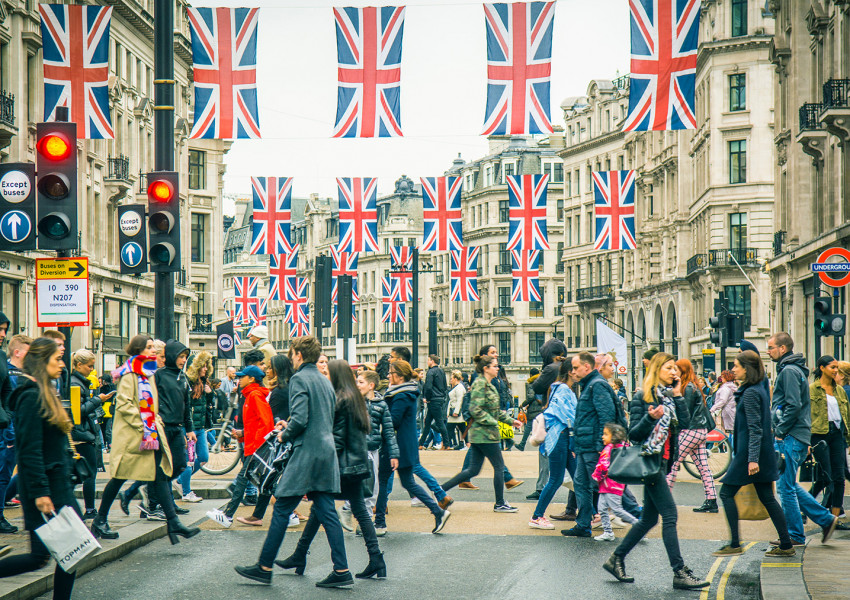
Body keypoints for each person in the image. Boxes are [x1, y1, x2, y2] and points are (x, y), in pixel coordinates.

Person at [235, 336, 352, 588]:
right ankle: (341, 569)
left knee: (282, 507)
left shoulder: (299, 378)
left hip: (306, 454)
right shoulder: (323, 379)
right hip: (326, 451)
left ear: (298, 354)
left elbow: (299, 419)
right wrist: (293, 425)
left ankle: (264, 567)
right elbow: (320, 417)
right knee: (327, 512)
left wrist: (283, 432)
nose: (290, 357)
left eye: (291, 353)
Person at [603, 352, 708, 590]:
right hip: (650, 463)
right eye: (669, 368)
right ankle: (679, 572)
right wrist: (650, 419)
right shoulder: (643, 397)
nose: (674, 372)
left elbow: (685, 423)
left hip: (662, 462)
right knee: (670, 515)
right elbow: (635, 435)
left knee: (649, 519)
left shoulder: (670, 396)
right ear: (657, 370)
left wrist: (679, 395)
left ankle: (616, 558)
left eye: (675, 369)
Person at [280, 360, 387, 580]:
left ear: (335, 376)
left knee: (323, 507)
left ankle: (307, 557)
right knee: (342, 510)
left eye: (327, 373)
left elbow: (336, 438)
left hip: (342, 464)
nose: (324, 376)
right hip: (355, 463)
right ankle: (375, 558)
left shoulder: (341, 399)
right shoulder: (354, 397)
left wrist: (321, 457)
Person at [92, 335, 199, 543]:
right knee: (119, 477)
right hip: (135, 435)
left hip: (149, 433)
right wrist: (146, 425)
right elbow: (124, 406)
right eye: (149, 347)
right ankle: (100, 519)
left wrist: (153, 422)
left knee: (159, 475)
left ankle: (173, 522)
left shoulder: (148, 372)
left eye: (153, 347)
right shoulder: (130, 373)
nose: (153, 351)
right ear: (139, 350)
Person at [0, 338, 80, 599]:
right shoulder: (31, 397)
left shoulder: (46, 392)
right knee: (44, 556)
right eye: (57, 358)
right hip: (46, 488)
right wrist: (41, 493)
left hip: (57, 483)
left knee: (68, 552)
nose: (62, 363)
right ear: (42, 361)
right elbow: (29, 451)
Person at [713, 351, 794, 557]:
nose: (733, 369)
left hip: (750, 456)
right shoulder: (758, 387)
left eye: (736, 366)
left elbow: (755, 429)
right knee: (767, 497)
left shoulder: (750, 393)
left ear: (746, 369)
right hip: (761, 454)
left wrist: (751, 460)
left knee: (725, 493)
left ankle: (734, 543)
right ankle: (786, 544)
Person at [767, 332, 838, 545]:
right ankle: (826, 520)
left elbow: (793, 405)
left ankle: (796, 535)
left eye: (771, 347)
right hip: (797, 435)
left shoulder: (788, 371)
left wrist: (780, 431)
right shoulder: (794, 369)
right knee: (788, 484)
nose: (768, 351)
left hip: (791, 435)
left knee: (784, 487)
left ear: (782, 348)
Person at [375, 359, 451, 534]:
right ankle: (438, 512)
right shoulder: (406, 392)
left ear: (399, 376)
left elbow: (392, 421)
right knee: (407, 482)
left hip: (396, 445)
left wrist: (376, 415)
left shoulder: (401, 395)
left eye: (391, 373)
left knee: (384, 481)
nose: (388, 376)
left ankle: (379, 523)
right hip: (405, 444)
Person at [441, 355, 523, 513]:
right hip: (486, 434)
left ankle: (440, 489)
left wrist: (510, 421)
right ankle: (500, 503)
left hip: (481, 434)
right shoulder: (480, 384)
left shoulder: (489, 384)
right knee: (499, 467)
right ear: (486, 368)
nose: (497, 368)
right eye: (494, 366)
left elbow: (494, 410)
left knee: (473, 470)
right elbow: (475, 410)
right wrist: (493, 422)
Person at [562, 352, 621, 538]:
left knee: (602, 484)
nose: (573, 371)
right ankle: (583, 524)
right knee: (581, 484)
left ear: (587, 367)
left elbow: (607, 416)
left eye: (576, 367)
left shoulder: (597, 385)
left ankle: (637, 511)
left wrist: (601, 445)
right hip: (585, 445)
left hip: (593, 445)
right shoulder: (589, 385)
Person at [207, 365, 274, 527]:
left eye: (242, 376)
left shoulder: (254, 395)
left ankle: (228, 515)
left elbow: (266, 424)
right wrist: (242, 433)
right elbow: (256, 423)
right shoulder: (251, 394)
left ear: (251, 379)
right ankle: (288, 514)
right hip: (254, 446)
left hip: (255, 448)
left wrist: (256, 446)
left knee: (244, 479)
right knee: (268, 484)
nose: (239, 378)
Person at [529, 359, 577, 530]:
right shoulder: (564, 390)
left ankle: (593, 514)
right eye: (577, 368)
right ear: (570, 372)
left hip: (562, 437)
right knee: (556, 479)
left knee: (577, 478)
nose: (580, 371)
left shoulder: (560, 388)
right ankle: (536, 516)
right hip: (560, 437)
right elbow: (569, 415)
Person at [666, 359, 717, 513]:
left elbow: (684, 413)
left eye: (676, 369)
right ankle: (711, 500)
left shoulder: (688, 387)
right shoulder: (693, 386)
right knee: (703, 467)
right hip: (700, 431)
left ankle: (662, 500)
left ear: (683, 370)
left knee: (673, 464)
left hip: (690, 430)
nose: (674, 372)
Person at [808, 355, 849, 517]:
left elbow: (847, 416)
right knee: (827, 476)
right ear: (822, 368)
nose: (835, 370)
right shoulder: (812, 389)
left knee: (839, 477)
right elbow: (805, 415)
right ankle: (807, 508)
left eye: (837, 368)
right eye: (832, 367)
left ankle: (835, 516)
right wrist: (806, 442)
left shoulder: (839, 390)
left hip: (837, 434)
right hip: (819, 435)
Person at [67, 349, 104, 519]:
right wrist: (98, 400)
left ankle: (86, 509)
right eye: (89, 366)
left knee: (85, 472)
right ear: (79, 365)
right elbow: (77, 412)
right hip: (81, 435)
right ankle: (89, 509)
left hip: (84, 433)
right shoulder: (75, 383)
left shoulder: (82, 382)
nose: (91, 369)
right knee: (88, 473)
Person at [0, 333, 29, 534]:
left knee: (8, 475)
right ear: (17, 352)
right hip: (9, 434)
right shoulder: (10, 375)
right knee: (3, 475)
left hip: (18, 432)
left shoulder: (24, 374)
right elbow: (10, 406)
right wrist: (10, 437)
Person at [592, 423, 638, 541]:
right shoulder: (620, 448)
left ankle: (638, 526)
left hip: (611, 485)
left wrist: (596, 477)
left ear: (613, 437)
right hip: (610, 486)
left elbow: (603, 466)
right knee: (602, 509)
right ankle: (608, 532)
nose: (603, 436)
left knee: (617, 510)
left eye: (606, 434)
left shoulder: (609, 449)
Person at [179, 351, 214, 503]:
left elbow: (207, 407)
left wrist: (210, 393)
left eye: (207, 366)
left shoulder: (204, 383)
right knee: (189, 460)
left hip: (200, 428)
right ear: (196, 367)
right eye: (203, 366)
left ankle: (181, 480)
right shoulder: (187, 382)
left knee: (204, 458)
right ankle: (186, 492)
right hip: (189, 429)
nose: (205, 369)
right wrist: (188, 429)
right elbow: (186, 407)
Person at [419, 355, 449, 450]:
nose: (427, 362)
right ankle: (421, 443)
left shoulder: (430, 372)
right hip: (439, 398)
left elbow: (428, 387)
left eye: (428, 360)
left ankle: (447, 444)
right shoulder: (441, 371)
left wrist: (427, 398)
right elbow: (444, 385)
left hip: (433, 399)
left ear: (432, 361)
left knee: (439, 422)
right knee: (428, 422)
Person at [710, 371, 738, 436]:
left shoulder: (725, 388)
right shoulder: (732, 387)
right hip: (731, 410)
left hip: (726, 412)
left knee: (726, 432)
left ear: (726, 377)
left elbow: (722, 401)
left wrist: (713, 409)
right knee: (731, 432)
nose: (721, 378)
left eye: (722, 377)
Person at [267, 354, 294, 421]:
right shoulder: (291, 385)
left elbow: (271, 416)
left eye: (270, 368)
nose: (267, 371)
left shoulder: (279, 391)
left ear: (277, 370)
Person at [446, 370, 466, 450]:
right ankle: (463, 444)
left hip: (455, 413)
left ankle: (446, 444)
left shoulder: (459, 387)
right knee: (462, 429)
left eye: (451, 378)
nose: (450, 380)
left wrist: (456, 412)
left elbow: (459, 400)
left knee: (449, 429)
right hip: (454, 412)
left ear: (455, 379)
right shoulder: (457, 387)